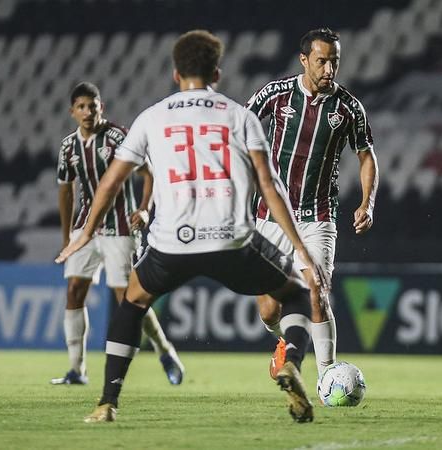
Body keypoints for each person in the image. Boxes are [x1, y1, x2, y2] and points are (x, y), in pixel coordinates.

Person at [56, 30, 326, 424]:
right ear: (216, 72)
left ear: (174, 73)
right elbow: (270, 186)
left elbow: (112, 181)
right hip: (232, 241)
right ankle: (291, 364)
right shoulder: (240, 116)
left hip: (172, 244)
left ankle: (107, 403)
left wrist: (84, 231)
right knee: (298, 293)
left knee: (132, 303)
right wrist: (301, 250)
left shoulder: (152, 117)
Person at [245, 28, 379, 380]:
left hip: (318, 217)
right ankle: (283, 341)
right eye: (322, 61)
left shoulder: (349, 107)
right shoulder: (276, 94)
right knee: (268, 308)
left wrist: (368, 202)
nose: (329, 70)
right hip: (271, 218)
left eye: (334, 62)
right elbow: (240, 128)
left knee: (316, 292)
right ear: (304, 60)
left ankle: (326, 377)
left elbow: (367, 157)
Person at [54, 82, 184, 386]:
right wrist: (66, 238)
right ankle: (77, 369)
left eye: (93, 105)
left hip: (119, 227)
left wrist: (144, 209)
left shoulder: (117, 137)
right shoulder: (68, 147)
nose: (88, 111)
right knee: (74, 290)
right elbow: (65, 192)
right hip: (85, 228)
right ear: (72, 112)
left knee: (127, 299)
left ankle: (164, 349)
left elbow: (148, 173)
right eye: (81, 107)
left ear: (102, 107)